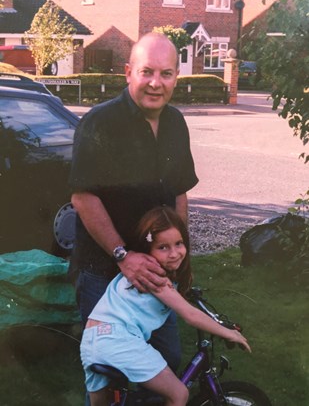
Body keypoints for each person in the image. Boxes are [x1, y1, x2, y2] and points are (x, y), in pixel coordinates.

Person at [69, 31, 199, 374]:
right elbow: (83, 197)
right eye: (147, 72)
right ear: (129, 72)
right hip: (104, 272)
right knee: (108, 372)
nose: (156, 83)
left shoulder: (175, 123)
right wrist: (123, 256)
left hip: (156, 274)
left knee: (165, 365)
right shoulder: (100, 122)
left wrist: (177, 254)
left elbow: (179, 192)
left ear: (176, 77)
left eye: (166, 73)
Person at [80, 206, 251, 406]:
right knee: (178, 395)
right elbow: (190, 315)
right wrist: (228, 333)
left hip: (92, 341)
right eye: (163, 247)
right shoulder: (156, 278)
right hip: (119, 339)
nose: (174, 253)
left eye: (179, 244)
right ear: (148, 250)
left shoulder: (136, 273)